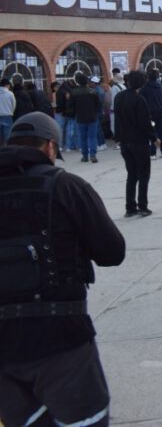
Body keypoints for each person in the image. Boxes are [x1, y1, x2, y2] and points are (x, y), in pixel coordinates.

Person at [0, 112, 125, 427]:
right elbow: (112, 252)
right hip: (61, 335)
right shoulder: (66, 186)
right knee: (84, 420)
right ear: (51, 147)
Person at [113, 70, 159, 217]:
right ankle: (143, 206)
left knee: (131, 174)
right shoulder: (139, 100)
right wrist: (154, 137)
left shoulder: (119, 97)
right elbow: (145, 122)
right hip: (139, 141)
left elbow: (117, 119)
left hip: (124, 141)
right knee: (144, 174)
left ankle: (130, 207)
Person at [68, 72, 102, 163]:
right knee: (92, 137)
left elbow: (70, 106)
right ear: (87, 81)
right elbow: (98, 105)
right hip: (92, 116)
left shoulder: (74, 92)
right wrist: (97, 113)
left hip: (80, 117)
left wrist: (73, 114)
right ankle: (93, 155)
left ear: (78, 82)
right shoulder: (93, 91)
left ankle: (85, 156)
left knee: (82, 137)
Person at [140, 69, 162, 159]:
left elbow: (142, 101)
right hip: (161, 113)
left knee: (152, 132)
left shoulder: (144, 88)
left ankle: (153, 153)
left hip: (150, 114)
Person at [0, 78, 15, 146]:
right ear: (7, 85)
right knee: (7, 137)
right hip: (8, 116)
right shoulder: (10, 94)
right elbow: (14, 105)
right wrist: (11, 112)